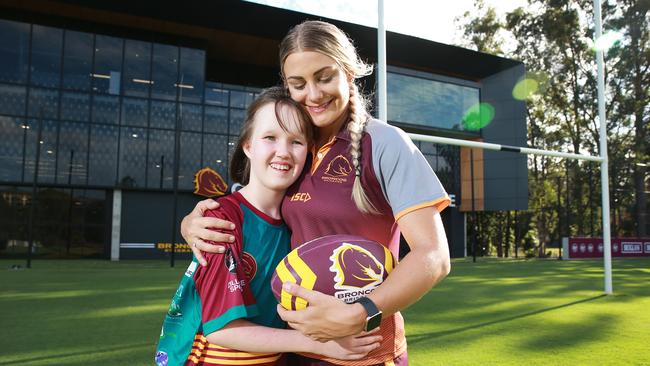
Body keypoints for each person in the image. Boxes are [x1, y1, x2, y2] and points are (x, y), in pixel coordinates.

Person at [181, 20, 451, 366]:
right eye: (298, 84)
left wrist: (361, 311)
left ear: (349, 73)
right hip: (294, 350)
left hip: (364, 351)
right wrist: (194, 222)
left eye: (324, 77)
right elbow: (253, 212)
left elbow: (433, 256)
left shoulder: (384, 143)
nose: (314, 94)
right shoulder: (295, 149)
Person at [155, 87, 381, 366]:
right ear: (248, 146)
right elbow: (222, 330)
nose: (283, 152)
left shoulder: (298, 224)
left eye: (296, 141)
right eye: (270, 138)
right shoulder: (221, 219)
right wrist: (321, 343)